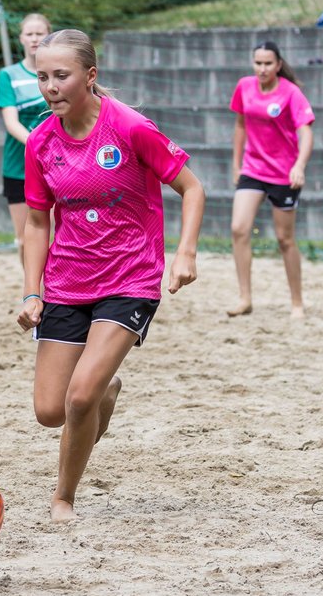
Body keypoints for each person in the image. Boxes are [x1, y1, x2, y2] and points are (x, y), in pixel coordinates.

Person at [16, 28, 205, 523]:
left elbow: (192, 187)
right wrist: (31, 292)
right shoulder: (40, 142)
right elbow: (37, 223)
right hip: (66, 281)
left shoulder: (130, 127)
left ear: (90, 76)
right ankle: (106, 388)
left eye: (62, 75)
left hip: (130, 277)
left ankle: (63, 498)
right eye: (42, 77)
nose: (50, 86)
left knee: (79, 398)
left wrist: (184, 253)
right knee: (49, 411)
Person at [227, 41, 315, 319]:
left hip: (283, 173)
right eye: (258, 63)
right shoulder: (245, 86)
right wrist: (236, 164)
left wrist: (299, 166)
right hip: (253, 169)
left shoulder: (291, 93)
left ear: (278, 65)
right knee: (239, 229)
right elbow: (240, 125)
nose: (262, 68)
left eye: (268, 63)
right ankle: (245, 298)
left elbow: (306, 133)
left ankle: (297, 303)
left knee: (284, 239)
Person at [0, 13, 53, 263]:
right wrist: (38, 146)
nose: (34, 38)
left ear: (49, 35)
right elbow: (11, 123)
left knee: (53, 237)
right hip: (19, 168)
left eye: (39, 33)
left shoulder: (57, 75)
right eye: (29, 34)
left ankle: (52, 294)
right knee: (25, 238)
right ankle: (33, 292)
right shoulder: (8, 76)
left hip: (56, 165)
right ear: (21, 39)